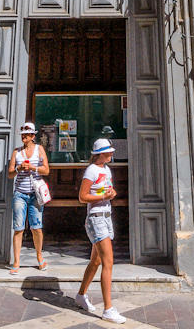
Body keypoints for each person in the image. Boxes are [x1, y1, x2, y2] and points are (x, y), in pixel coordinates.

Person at [75, 138, 126, 324]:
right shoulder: (91, 170)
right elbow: (82, 196)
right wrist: (103, 195)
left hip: (106, 216)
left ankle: (81, 295)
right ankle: (108, 309)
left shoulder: (106, 170)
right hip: (96, 218)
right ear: (100, 154)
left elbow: (108, 189)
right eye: (108, 152)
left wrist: (110, 193)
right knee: (108, 262)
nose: (112, 154)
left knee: (95, 261)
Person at [7, 121, 50, 275]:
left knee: (36, 228)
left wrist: (33, 168)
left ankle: (39, 256)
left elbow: (46, 170)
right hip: (20, 194)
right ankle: (17, 261)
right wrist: (18, 168)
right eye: (23, 135)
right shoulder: (16, 152)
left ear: (33, 136)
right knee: (18, 228)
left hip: (35, 195)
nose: (24, 137)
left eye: (27, 135)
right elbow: (10, 174)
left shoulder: (39, 150)